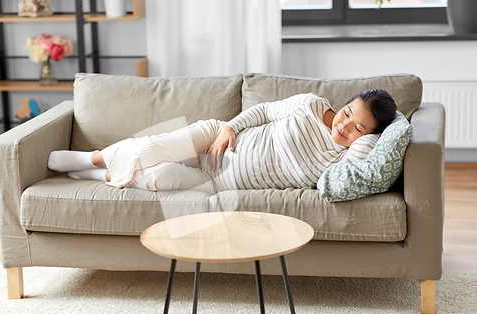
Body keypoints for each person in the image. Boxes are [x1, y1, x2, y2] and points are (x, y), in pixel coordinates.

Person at [47, 89, 397, 194]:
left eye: (359, 128)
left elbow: (360, 163)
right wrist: (229, 127)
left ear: (368, 138)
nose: (345, 125)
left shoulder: (340, 162)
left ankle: (104, 177)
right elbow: (261, 112)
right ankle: (90, 160)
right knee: (147, 149)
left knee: (160, 178)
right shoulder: (312, 105)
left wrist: (369, 138)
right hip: (216, 138)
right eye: (349, 112)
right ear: (346, 103)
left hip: (219, 181)